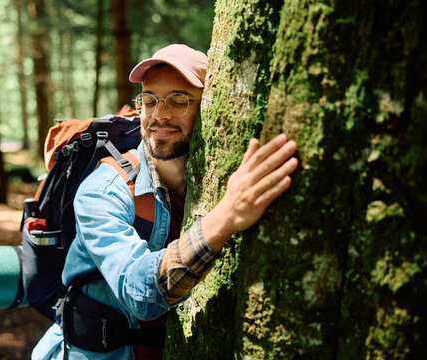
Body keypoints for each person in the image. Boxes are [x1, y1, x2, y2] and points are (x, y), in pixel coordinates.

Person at [32, 44, 298, 360]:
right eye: (149, 100)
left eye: (178, 100)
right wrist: (225, 217)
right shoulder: (103, 190)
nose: (159, 114)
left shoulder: (214, 182)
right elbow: (138, 293)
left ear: (209, 107)